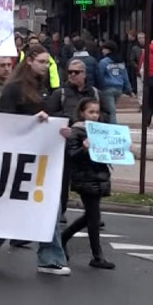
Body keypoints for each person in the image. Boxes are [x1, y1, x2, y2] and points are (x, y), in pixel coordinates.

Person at [0, 45, 71, 276]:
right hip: (20, 158)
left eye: (48, 63)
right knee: (14, 205)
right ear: (29, 61)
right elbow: (5, 123)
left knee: (49, 205)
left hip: (42, 156)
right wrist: (31, 120)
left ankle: (49, 257)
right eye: (41, 62)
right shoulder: (13, 88)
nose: (46, 67)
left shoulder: (44, 86)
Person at [59, 97, 115, 270]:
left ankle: (63, 238)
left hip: (99, 176)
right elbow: (71, 155)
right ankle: (97, 256)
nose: (95, 116)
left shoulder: (101, 131)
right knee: (93, 216)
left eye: (97, 112)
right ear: (82, 113)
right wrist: (84, 149)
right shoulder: (77, 131)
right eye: (91, 112)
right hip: (84, 177)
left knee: (91, 216)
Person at [97, 41, 132, 124]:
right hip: (119, 88)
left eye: (104, 49)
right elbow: (125, 76)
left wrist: (99, 87)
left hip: (107, 88)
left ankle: (113, 127)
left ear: (108, 50)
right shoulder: (120, 61)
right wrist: (128, 89)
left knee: (110, 111)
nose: (102, 51)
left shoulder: (104, 62)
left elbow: (100, 75)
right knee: (111, 108)